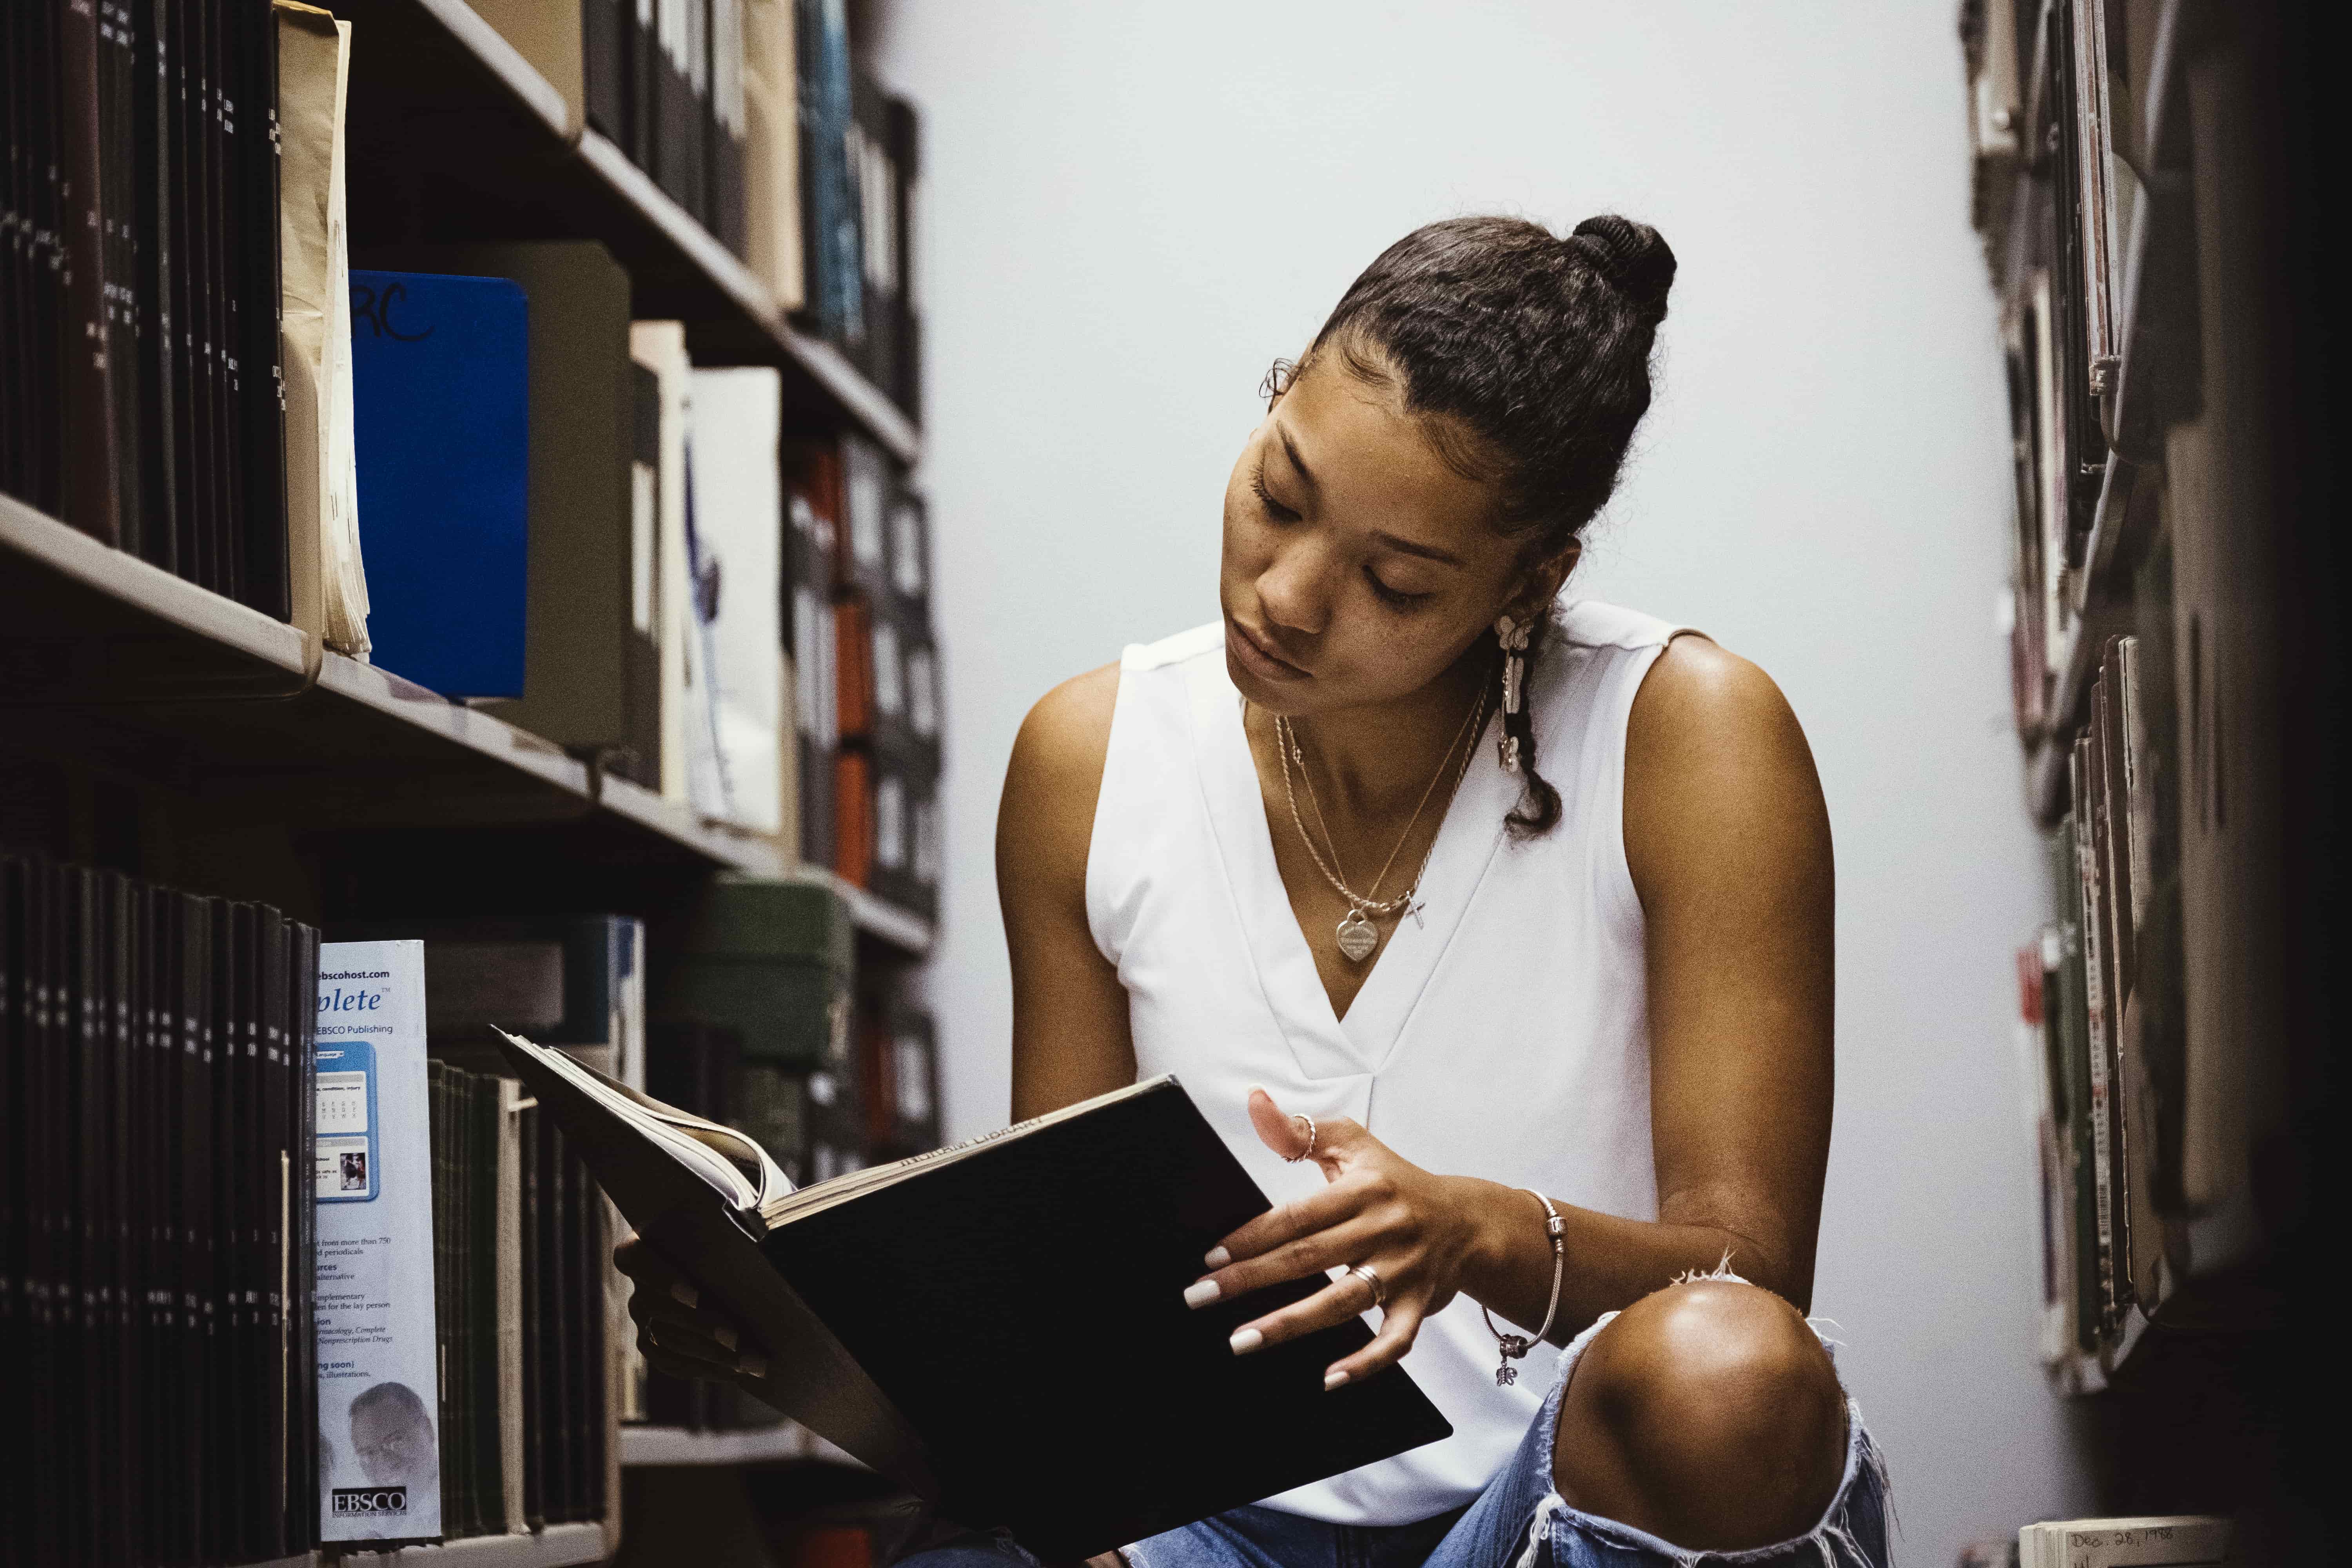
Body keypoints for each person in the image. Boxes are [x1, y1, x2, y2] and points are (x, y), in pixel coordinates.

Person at [620, 214, 1891, 1568]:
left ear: (1532, 581)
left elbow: (1750, 1271)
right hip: (1200, 1526)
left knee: (1729, 1373)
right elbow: (1067, 1300)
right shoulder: (1089, 756)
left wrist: (1486, 1233)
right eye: (1280, 496)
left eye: (1396, 582)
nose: (1285, 596)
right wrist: (813, 1344)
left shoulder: (1688, 733)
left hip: (1546, 1512)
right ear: (1278, 394)